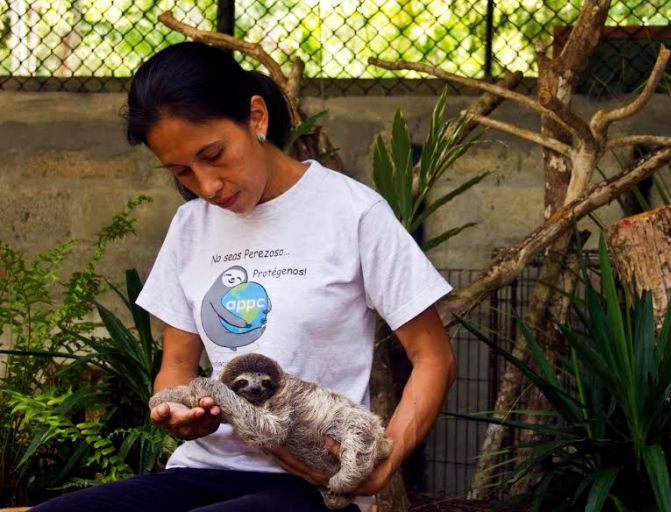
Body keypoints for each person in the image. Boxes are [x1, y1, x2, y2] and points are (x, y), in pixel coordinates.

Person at [32, 41, 456, 512]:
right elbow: (175, 366)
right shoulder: (191, 227)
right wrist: (176, 410)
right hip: (202, 470)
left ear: (256, 118)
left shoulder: (353, 213)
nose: (206, 186)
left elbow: (432, 356)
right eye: (182, 172)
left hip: (307, 483)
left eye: (213, 155)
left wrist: (381, 463)